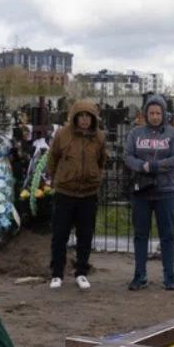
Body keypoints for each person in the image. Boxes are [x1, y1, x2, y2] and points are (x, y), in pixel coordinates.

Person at [124, 94, 174, 291]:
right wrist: (143, 167)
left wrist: (155, 166)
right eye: (151, 112)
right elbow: (128, 156)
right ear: (146, 114)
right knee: (140, 235)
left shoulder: (173, 134)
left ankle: (169, 277)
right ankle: (139, 276)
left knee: (167, 235)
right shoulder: (136, 133)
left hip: (165, 191)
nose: (155, 116)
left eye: (158, 113)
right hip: (142, 191)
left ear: (164, 114)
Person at [46, 99, 107, 290]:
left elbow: (101, 160)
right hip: (65, 192)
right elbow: (52, 158)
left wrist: (93, 177)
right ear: (75, 118)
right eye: (81, 116)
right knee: (60, 235)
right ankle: (57, 273)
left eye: (88, 117)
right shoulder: (62, 135)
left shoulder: (99, 137)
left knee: (85, 235)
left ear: (93, 119)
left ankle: (81, 272)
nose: (84, 120)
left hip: (88, 193)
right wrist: (59, 179)